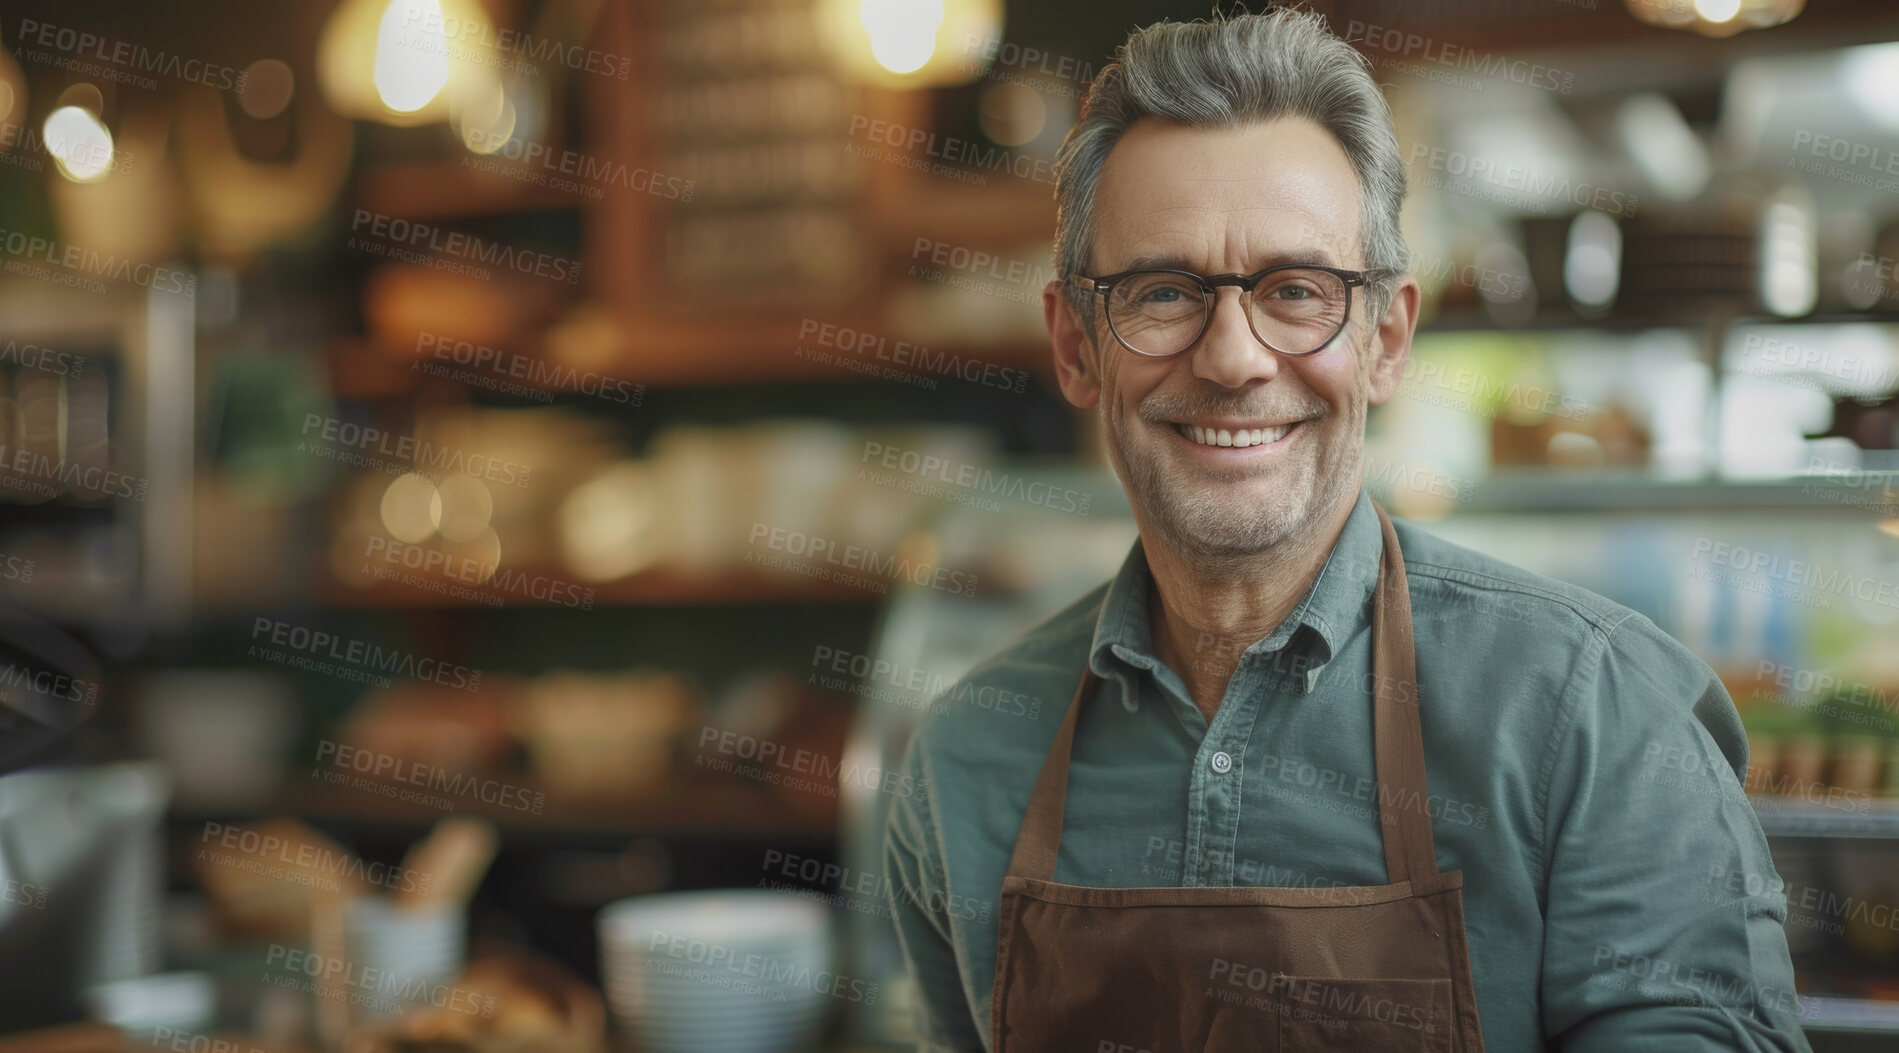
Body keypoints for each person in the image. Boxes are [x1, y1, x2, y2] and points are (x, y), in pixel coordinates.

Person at [881, 8, 1811, 1052]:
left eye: (1296, 291)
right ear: (1075, 344)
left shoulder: (1598, 721)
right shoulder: (966, 761)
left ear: (1386, 339)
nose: (1232, 357)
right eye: (1164, 291)